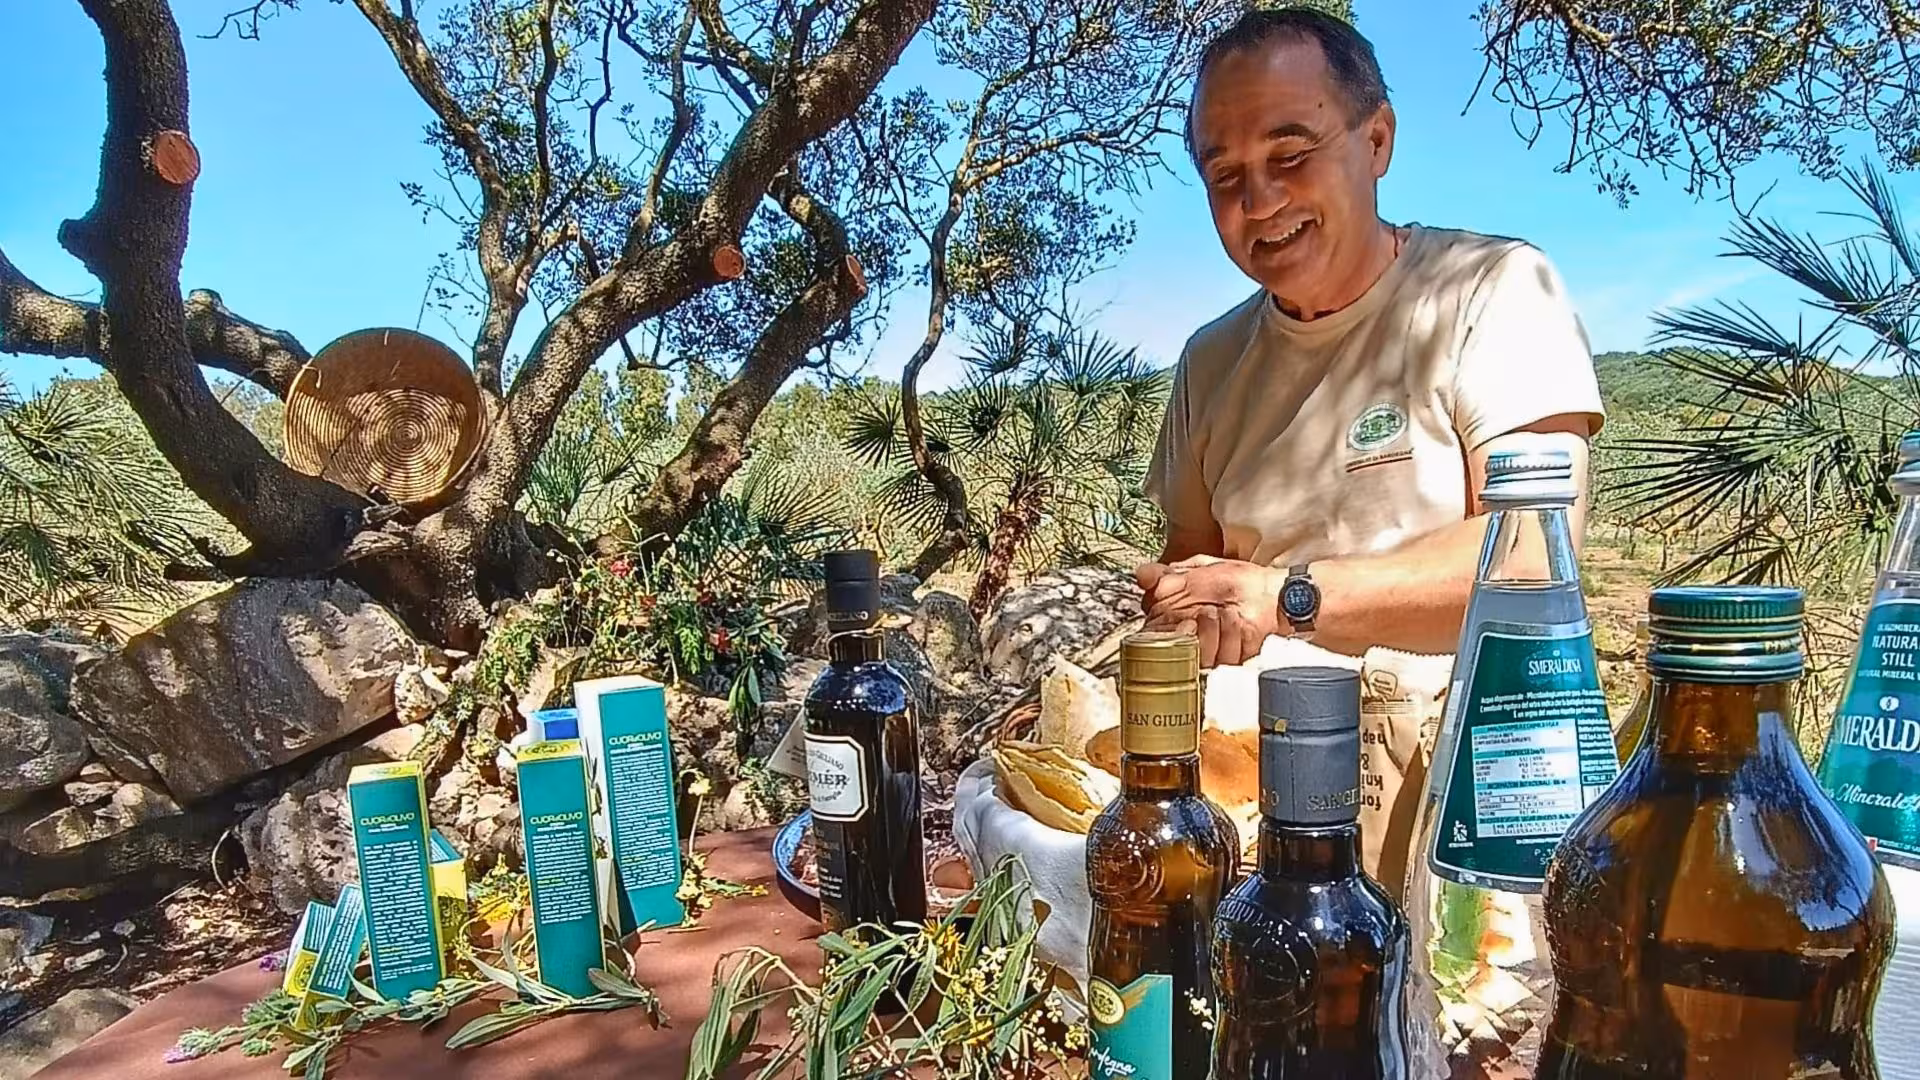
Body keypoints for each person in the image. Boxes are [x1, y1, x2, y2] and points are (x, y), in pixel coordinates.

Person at [1138, 7, 1606, 667]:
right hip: (1246, 757)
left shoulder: (1495, 290)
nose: (1261, 200)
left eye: (1291, 154)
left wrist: (1285, 598)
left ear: (1378, 140)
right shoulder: (1209, 361)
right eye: (1225, 177)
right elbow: (1191, 570)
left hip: (1459, 761)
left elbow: (1533, 556)